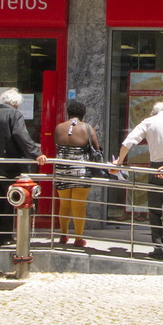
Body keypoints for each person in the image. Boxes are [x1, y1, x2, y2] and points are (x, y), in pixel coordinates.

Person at [114, 101, 163, 260]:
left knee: (154, 211)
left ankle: (158, 248)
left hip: (156, 169)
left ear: (154, 111)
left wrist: (119, 162)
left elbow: (127, 143)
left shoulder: (148, 122)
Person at [0, 88, 47, 247]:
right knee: (10, 200)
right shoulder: (14, 114)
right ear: (15, 103)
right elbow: (21, 135)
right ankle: (6, 236)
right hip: (9, 166)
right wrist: (36, 153)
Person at [53, 100, 101, 248]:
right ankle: (78, 238)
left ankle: (63, 235)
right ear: (83, 114)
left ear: (68, 113)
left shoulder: (59, 127)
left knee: (64, 204)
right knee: (79, 205)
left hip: (61, 170)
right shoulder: (87, 128)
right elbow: (97, 148)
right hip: (81, 171)